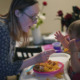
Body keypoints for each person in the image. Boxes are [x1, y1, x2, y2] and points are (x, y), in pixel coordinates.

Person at [0, 0, 55, 80]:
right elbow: (4, 69)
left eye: (36, 17)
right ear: (18, 13)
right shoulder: (3, 31)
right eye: (32, 17)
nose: (36, 21)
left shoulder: (9, 28)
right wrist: (35, 59)